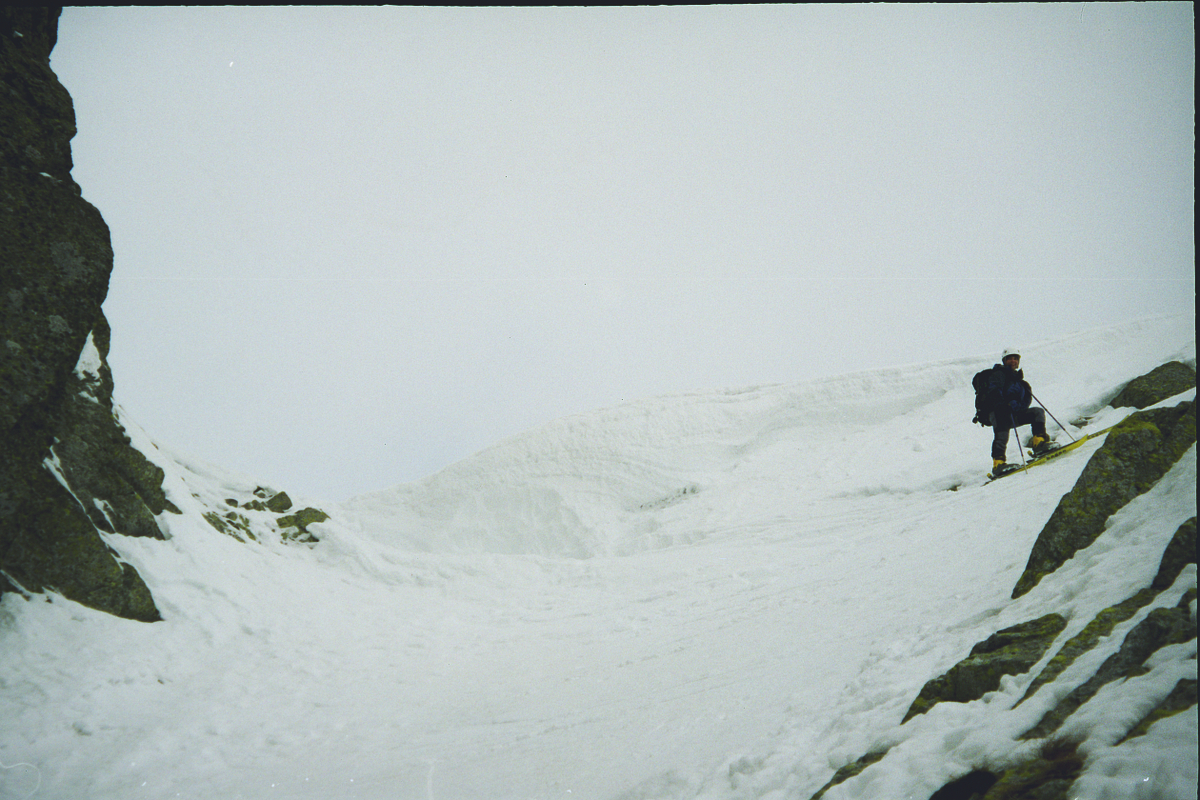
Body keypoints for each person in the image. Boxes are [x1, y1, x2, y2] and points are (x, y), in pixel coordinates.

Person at [979, 348, 1049, 473]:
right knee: (1002, 434)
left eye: (1016, 358)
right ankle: (998, 464)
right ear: (1004, 361)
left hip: (1013, 413)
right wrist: (1003, 404)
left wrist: (1016, 406)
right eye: (1010, 358)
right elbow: (993, 390)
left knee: (1037, 412)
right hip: (998, 412)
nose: (1013, 361)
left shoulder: (1021, 382)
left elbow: (1026, 401)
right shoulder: (999, 374)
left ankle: (1039, 443)